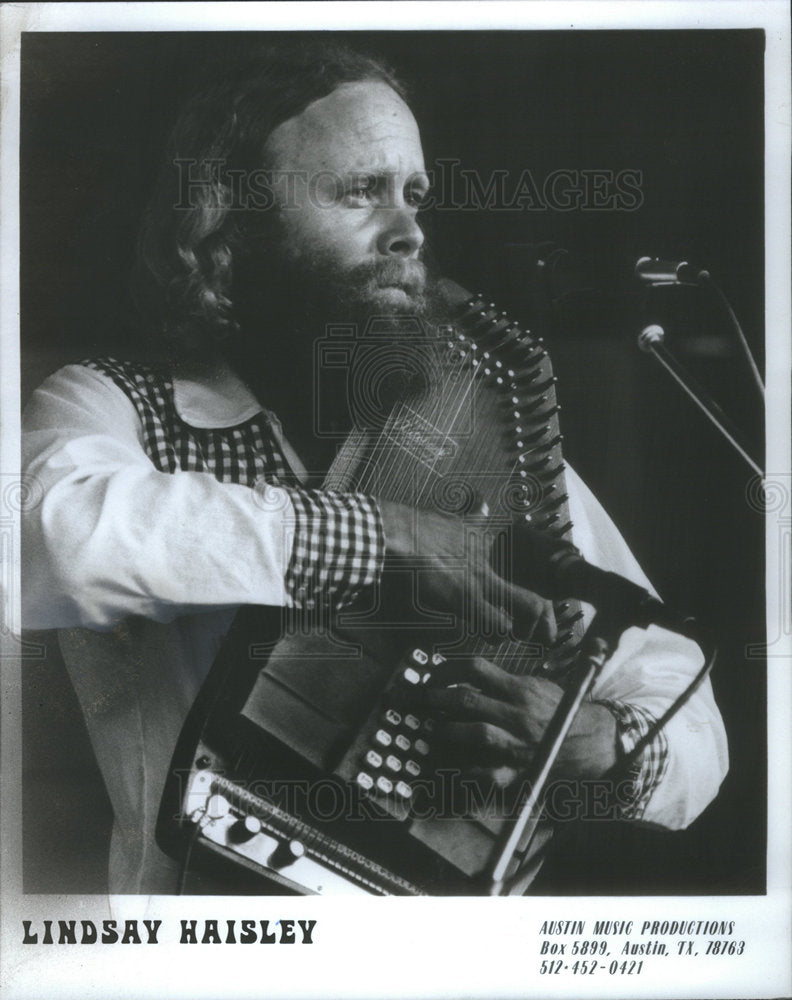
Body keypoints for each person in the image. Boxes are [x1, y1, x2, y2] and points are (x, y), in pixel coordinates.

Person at [21, 41, 728, 894]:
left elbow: (682, 693)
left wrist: (601, 742)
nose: (410, 231)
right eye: (361, 191)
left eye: (414, 194)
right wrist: (381, 537)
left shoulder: (487, 446)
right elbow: (43, 541)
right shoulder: (117, 406)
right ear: (229, 218)